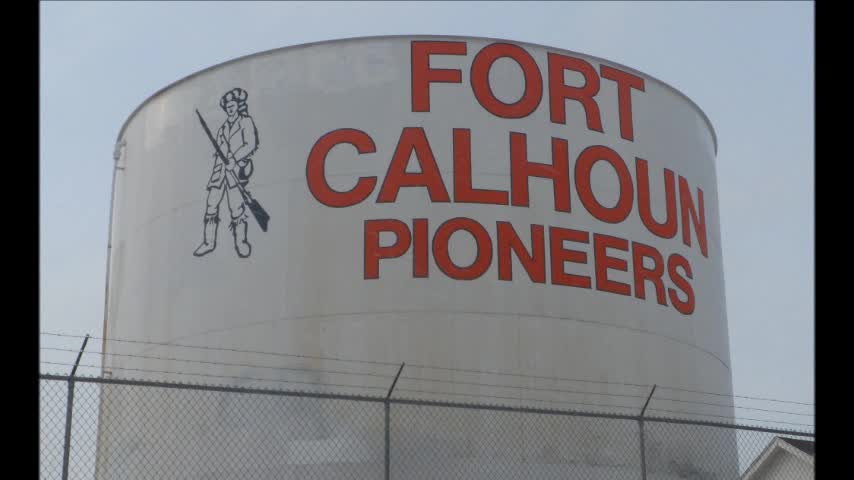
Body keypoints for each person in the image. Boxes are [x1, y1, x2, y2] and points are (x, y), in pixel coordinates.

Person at [193, 88, 260, 258]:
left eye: (232, 105)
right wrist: (220, 167)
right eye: (227, 106)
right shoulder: (222, 128)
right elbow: (219, 152)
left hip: (236, 171)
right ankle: (209, 242)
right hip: (220, 172)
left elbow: (251, 144)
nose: (230, 108)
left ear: (238, 106)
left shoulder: (246, 122)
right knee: (211, 205)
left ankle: (241, 242)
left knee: (236, 207)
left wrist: (234, 160)